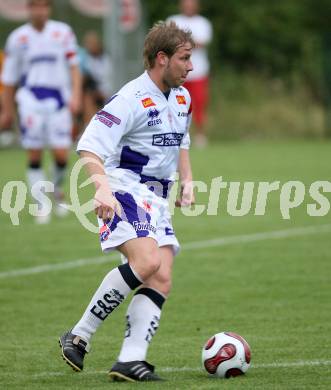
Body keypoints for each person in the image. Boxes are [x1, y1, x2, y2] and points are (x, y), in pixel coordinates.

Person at [59, 21, 195, 382]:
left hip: (157, 197)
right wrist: (101, 188)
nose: (191, 66)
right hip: (124, 188)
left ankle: (129, 360)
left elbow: (182, 141)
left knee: (162, 276)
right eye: (184, 58)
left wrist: (188, 181)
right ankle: (79, 334)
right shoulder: (130, 98)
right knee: (147, 261)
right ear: (162, 59)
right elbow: (89, 144)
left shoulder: (183, 96)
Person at [0, 0, 81, 223]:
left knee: (61, 154)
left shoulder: (63, 33)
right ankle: (41, 203)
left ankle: (56, 190)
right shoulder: (18, 38)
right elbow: (7, 79)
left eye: (44, 6)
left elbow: (74, 67)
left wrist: (76, 96)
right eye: (35, 6)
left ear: (49, 9)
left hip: (59, 101)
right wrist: (7, 111)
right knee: (34, 153)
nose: (40, 10)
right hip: (30, 101)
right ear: (29, 9)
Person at [168, 0, 212, 147]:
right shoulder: (173, 20)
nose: (189, 7)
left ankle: (200, 135)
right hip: (177, 72)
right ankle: (174, 134)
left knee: (199, 103)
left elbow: (201, 43)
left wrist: (182, 44)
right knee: (174, 104)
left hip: (198, 72)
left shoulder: (203, 23)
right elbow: (169, 44)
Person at [79, 30, 112, 127]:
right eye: (88, 44)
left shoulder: (107, 59)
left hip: (106, 92)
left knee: (89, 96)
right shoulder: (85, 59)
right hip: (91, 91)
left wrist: (103, 92)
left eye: (92, 43)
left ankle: (91, 125)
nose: (89, 46)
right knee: (87, 95)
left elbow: (108, 80)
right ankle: (87, 126)